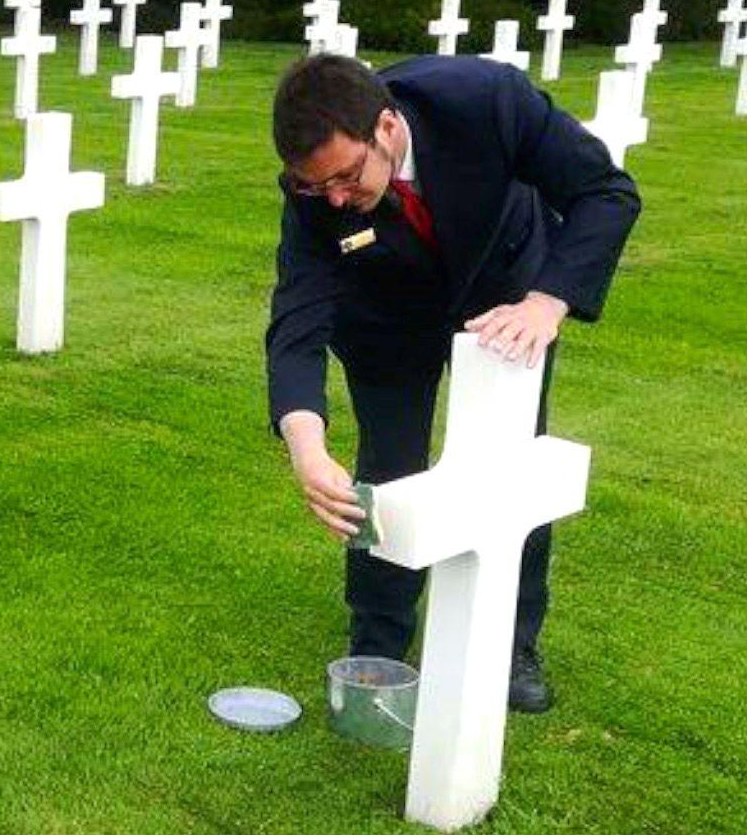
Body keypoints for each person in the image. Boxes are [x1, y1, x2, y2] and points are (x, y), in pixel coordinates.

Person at [265, 53, 640, 713]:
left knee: (514, 467)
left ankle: (512, 643)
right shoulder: (315, 195)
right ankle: (378, 638)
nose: (335, 199)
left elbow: (605, 193)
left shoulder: (485, 101)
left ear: (386, 127)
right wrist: (306, 448)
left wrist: (547, 302)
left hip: (509, 301)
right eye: (315, 185)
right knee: (389, 467)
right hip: (383, 315)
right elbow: (297, 319)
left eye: (347, 177)